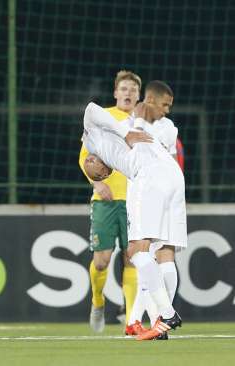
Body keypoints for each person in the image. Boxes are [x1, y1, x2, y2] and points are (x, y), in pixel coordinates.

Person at [82, 101, 184, 341]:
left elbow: (90, 109)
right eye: (96, 175)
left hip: (148, 176)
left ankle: (165, 314)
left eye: (92, 167)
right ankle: (153, 320)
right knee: (164, 251)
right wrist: (129, 128)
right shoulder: (137, 127)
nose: (92, 168)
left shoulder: (94, 134)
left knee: (136, 251)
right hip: (172, 176)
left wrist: (127, 132)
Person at [78, 70, 141, 332]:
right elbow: (85, 157)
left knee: (132, 258)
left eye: (133, 90)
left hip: (136, 202)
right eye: (123, 89)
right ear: (115, 92)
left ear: (139, 95)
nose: (128, 93)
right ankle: (97, 300)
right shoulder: (102, 117)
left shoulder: (142, 122)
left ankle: (130, 319)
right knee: (102, 260)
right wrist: (97, 182)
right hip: (105, 201)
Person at [124, 81, 181, 338]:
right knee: (161, 256)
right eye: (165, 104)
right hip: (164, 191)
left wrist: (136, 121)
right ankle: (143, 320)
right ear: (151, 100)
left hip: (152, 194)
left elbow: (140, 145)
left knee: (145, 252)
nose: (167, 110)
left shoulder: (165, 127)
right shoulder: (135, 122)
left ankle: (162, 318)